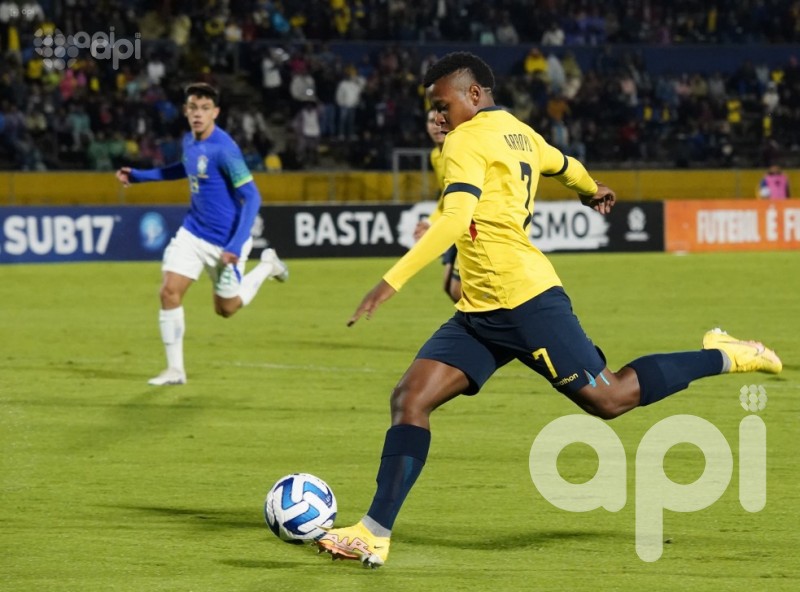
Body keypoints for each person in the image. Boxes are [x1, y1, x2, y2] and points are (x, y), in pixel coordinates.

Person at [316, 52, 782, 568]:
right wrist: (592, 190)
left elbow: (454, 220)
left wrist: (389, 283)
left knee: (612, 398)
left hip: (528, 302)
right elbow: (564, 165)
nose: (439, 117)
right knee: (410, 398)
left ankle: (723, 354)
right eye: (434, 109)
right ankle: (374, 532)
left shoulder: (467, 140)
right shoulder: (519, 132)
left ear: (473, 95)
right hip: (481, 311)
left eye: (442, 105)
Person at [115, 82, 289, 386]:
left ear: (216, 113)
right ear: (185, 111)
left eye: (205, 109)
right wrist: (140, 176)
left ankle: (266, 266)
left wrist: (235, 244)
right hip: (193, 233)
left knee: (226, 309)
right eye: (193, 108)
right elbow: (184, 169)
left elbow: (253, 197)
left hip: (226, 241)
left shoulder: (225, 150)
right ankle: (175, 371)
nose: (198, 114)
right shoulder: (189, 142)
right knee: (169, 291)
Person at [413, 108, 461, 302]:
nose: (436, 125)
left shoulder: (459, 151)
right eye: (431, 121)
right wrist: (430, 221)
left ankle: (492, 327)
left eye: (441, 120)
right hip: (456, 223)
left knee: (457, 288)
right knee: (449, 286)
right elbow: (447, 195)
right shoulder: (435, 156)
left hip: (471, 224)